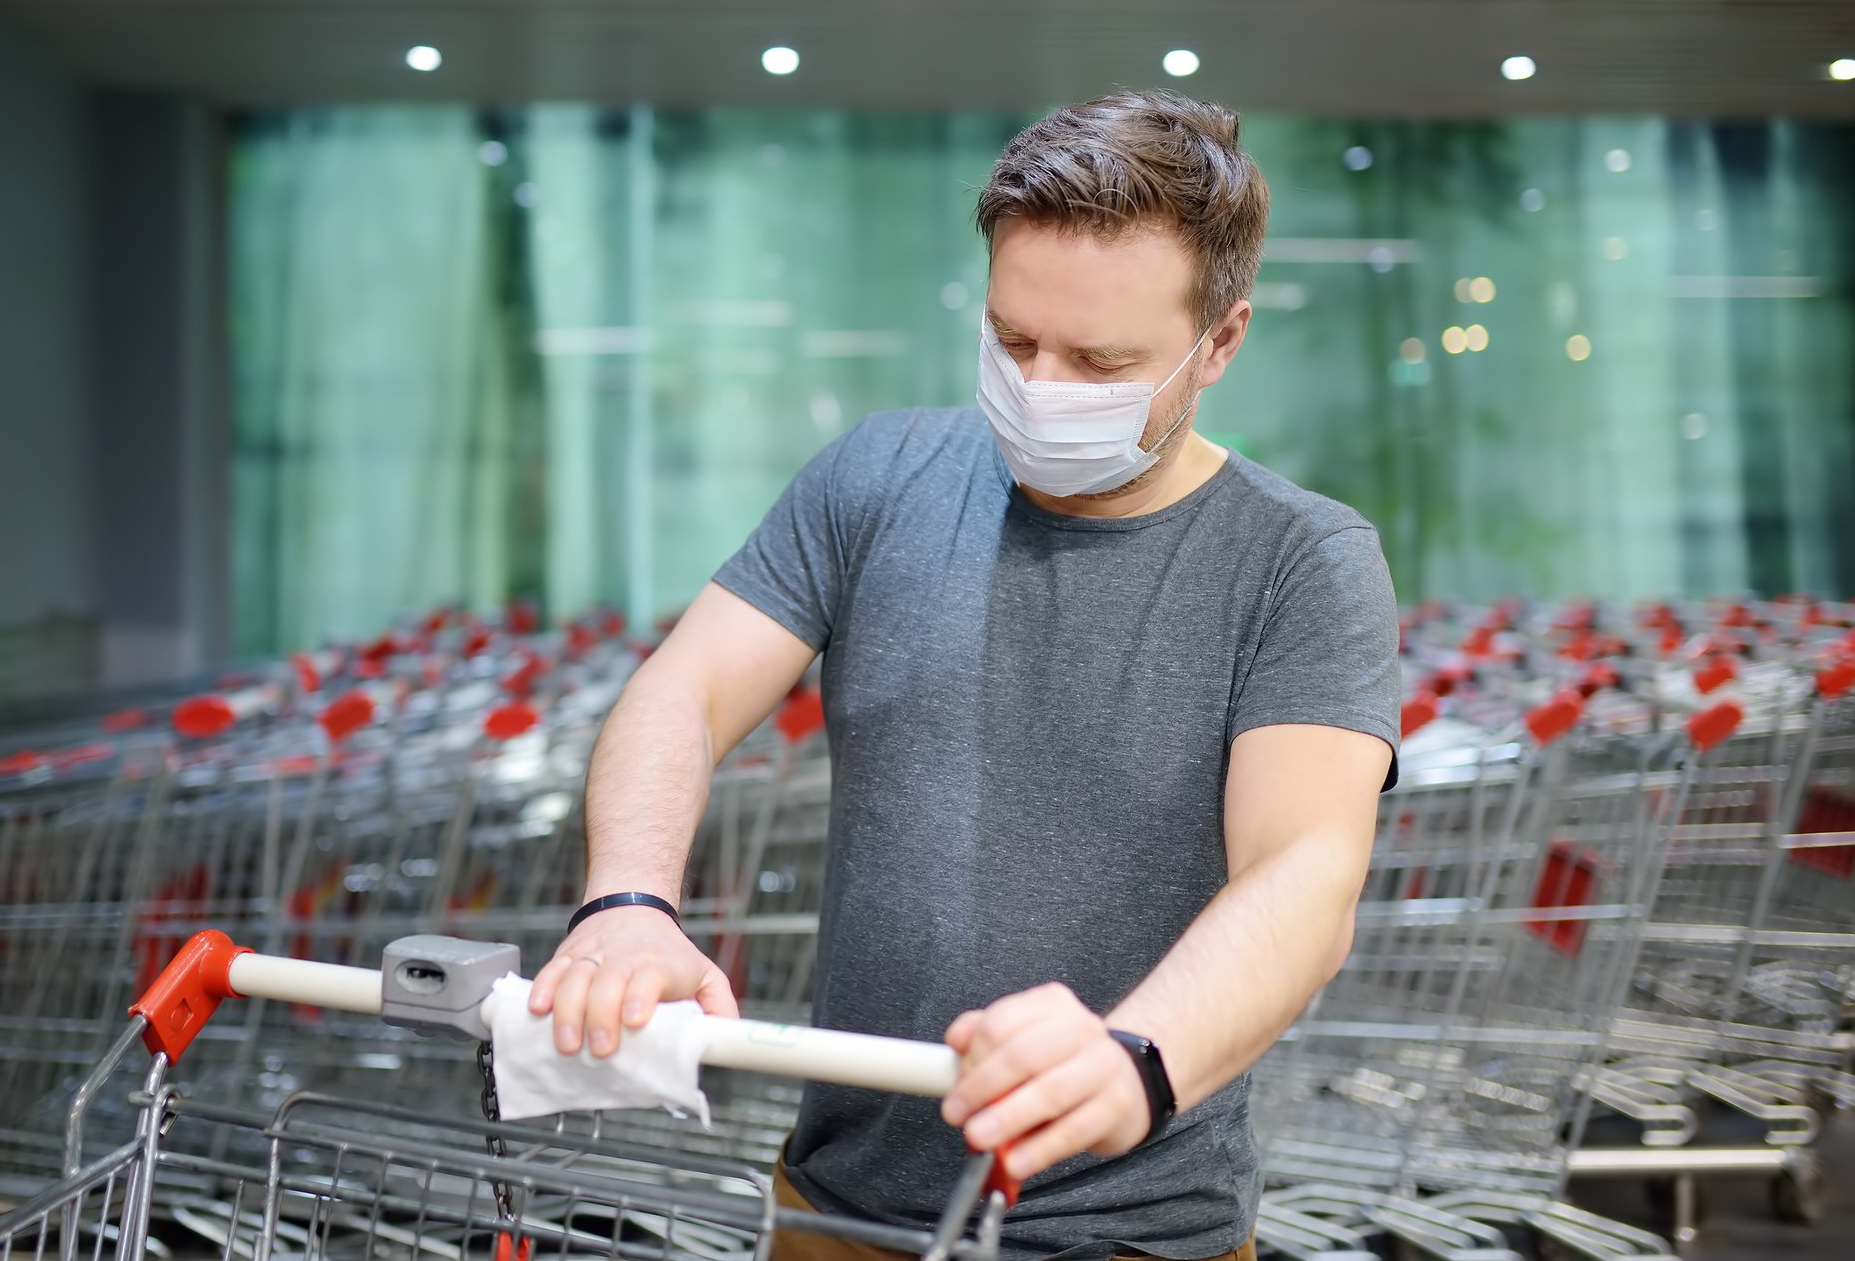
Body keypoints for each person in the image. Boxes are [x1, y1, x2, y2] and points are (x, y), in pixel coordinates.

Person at [528, 90, 1401, 1261]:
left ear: (1223, 341)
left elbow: (1305, 869)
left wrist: (1133, 1057)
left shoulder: (1302, 559)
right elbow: (683, 690)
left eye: (1101, 360)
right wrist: (627, 902)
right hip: (834, 1209)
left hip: (1129, 1232)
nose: (1041, 386)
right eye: (1012, 339)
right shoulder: (878, 476)